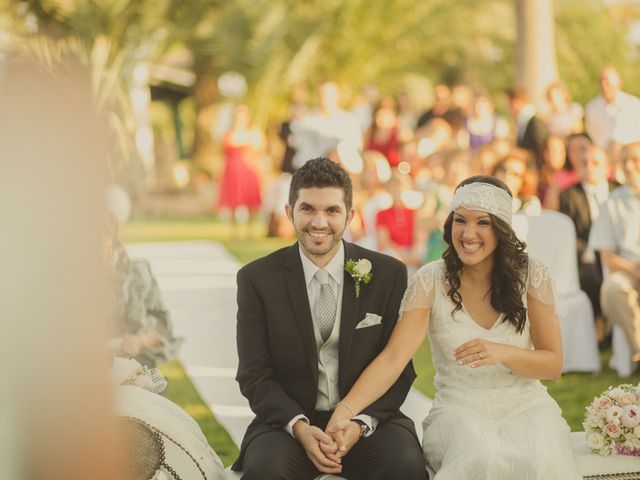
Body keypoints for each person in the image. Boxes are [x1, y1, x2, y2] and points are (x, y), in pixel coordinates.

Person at [327, 175, 580, 479]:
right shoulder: (430, 279)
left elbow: (553, 364)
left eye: (482, 223)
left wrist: (503, 352)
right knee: (480, 454)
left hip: (526, 407)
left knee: (542, 456)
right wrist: (344, 412)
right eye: (460, 220)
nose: (468, 233)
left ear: (501, 228)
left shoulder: (532, 273)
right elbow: (392, 359)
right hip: (460, 412)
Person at [231, 157, 425, 480]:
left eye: (332, 211)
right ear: (289, 211)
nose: (319, 222)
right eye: (307, 209)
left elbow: (400, 369)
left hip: (366, 422)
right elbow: (254, 376)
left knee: (405, 465)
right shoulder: (257, 280)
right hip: (287, 427)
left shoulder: (388, 275)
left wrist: (358, 424)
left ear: (350, 216)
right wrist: (299, 427)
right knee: (265, 471)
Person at [589, 142, 640, 361]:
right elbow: (608, 258)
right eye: (625, 160)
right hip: (629, 269)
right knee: (612, 289)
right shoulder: (612, 202)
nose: (629, 166)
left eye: (635, 160)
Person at [559, 145, 618, 328]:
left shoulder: (618, 191)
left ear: (606, 167)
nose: (589, 167)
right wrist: (588, 251)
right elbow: (568, 235)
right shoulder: (569, 195)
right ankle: (598, 330)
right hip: (587, 258)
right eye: (584, 163)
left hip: (617, 255)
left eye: (595, 163)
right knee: (589, 276)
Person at [217, 104, 265, 238]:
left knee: (251, 201)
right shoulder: (229, 133)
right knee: (233, 201)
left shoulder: (253, 133)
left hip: (248, 170)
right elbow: (222, 152)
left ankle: (250, 231)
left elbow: (260, 150)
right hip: (232, 171)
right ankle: (234, 233)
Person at [585, 66, 640, 150]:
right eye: (602, 82)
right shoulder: (591, 108)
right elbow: (593, 134)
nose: (605, 86)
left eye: (608, 83)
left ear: (618, 84)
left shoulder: (634, 104)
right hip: (604, 155)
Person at [507, 86, 549, 170]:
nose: (508, 109)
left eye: (509, 105)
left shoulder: (535, 122)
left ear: (516, 102)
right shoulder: (521, 122)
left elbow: (541, 150)